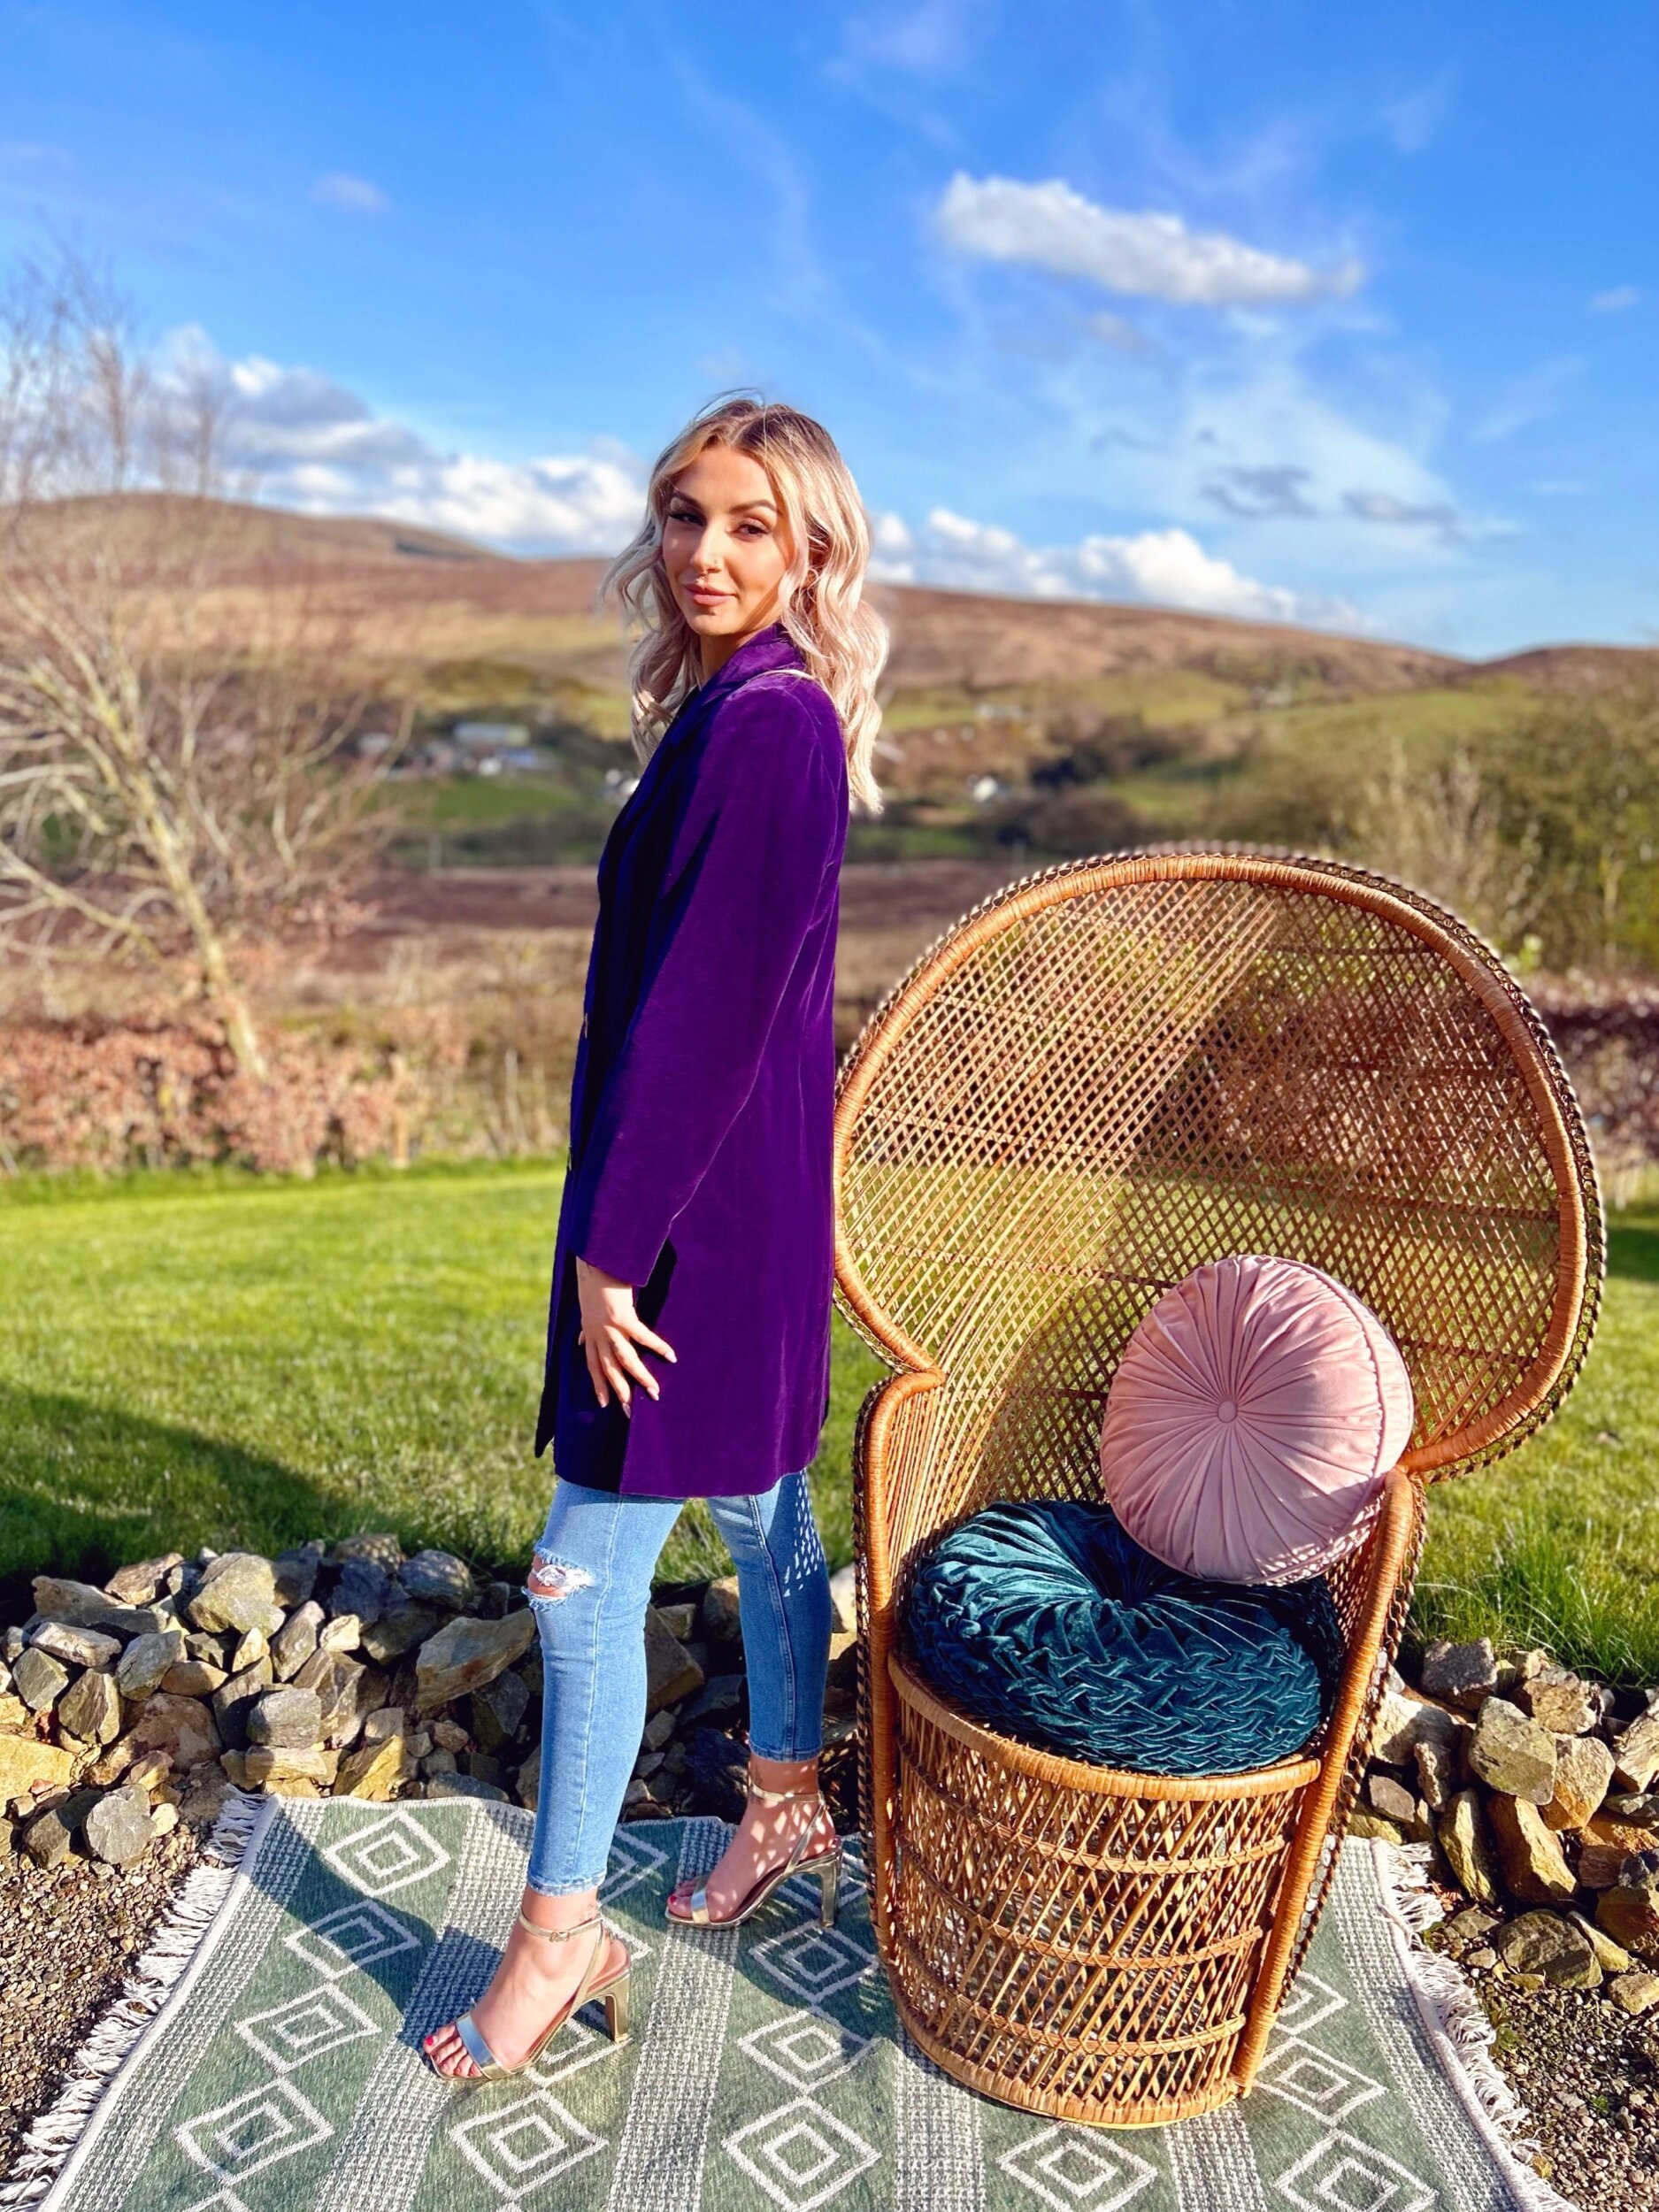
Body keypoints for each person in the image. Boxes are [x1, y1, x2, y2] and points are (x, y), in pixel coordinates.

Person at [422, 394, 888, 2081]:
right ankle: (784, 1802)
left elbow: (701, 1018)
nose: (705, 552)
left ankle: (562, 1937)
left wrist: (613, 1244)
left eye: (751, 526)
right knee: (762, 1504)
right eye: (687, 515)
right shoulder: (747, 710)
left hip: (689, 1224)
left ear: (812, 551)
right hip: (739, 1207)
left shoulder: (766, 728)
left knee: (575, 1582)